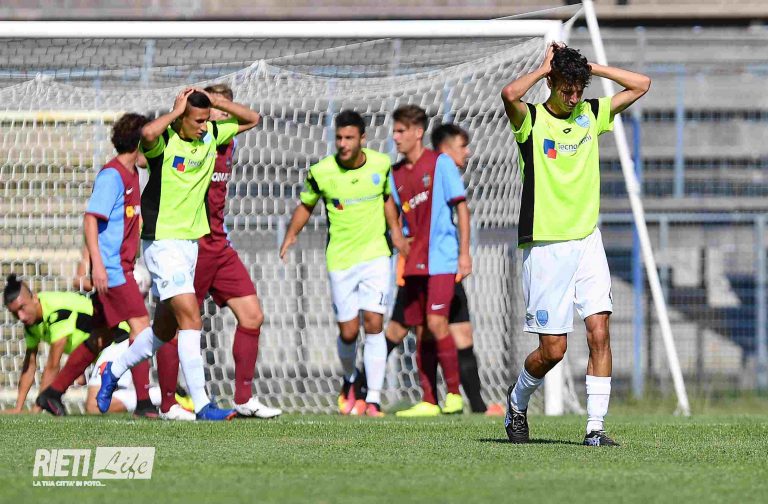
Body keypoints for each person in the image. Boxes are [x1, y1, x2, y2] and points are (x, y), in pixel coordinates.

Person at [500, 43, 650, 446]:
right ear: (552, 83)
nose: (574, 97)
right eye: (567, 88)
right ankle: (517, 401)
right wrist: (544, 68)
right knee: (553, 350)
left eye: (579, 89)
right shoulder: (531, 120)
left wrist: (590, 67)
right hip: (546, 247)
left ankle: (595, 429)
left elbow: (642, 84)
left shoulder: (590, 113)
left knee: (599, 331)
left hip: (587, 240)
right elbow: (509, 94)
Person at [97, 87, 260, 421]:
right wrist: (175, 111)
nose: (203, 126)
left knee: (163, 332)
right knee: (191, 318)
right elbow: (147, 133)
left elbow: (253, 119)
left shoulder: (211, 134)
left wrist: (217, 103)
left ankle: (113, 369)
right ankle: (202, 405)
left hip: (189, 245)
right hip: (162, 243)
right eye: (197, 120)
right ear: (182, 118)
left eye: (205, 120)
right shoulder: (165, 143)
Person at [155, 84, 281, 420]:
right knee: (175, 326)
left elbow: (252, 118)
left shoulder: (225, 140)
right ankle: (167, 402)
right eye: (214, 112)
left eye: (226, 111)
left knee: (252, 315)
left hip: (220, 246)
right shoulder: (191, 143)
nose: (222, 117)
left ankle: (244, 399)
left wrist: (222, 102)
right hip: (190, 245)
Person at [280, 109, 408, 417]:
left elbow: (387, 200)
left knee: (374, 323)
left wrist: (396, 233)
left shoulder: (380, 165)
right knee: (349, 332)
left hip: (376, 255)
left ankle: (373, 398)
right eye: (338, 137)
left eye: (349, 137)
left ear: (362, 138)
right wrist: (291, 234)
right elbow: (306, 205)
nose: (343, 143)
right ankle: (350, 379)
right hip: (340, 260)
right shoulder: (321, 172)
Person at [384, 123, 503, 416]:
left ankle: (474, 406)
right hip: (416, 269)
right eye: (463, 146)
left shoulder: (443, 179)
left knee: (461, 334)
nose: (468, 152)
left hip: (444, 267)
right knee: (398, 331)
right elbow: (394, 213)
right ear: (445, 150)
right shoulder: (415, 175)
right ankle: (360, 391)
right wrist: (397, 238)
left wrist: (461, 255)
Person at [388, 106, 471, 418]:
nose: (395, 137)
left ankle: (454, 395)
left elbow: (461, 207)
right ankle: (428, 399)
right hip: (414, 260)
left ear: (417, 132)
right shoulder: (395, 173)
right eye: (394, 131)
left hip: (442, 258)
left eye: (401, 131)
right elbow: (390, 206)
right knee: (420, 329)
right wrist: (396, 234)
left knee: (437, 323)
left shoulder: (440, 164)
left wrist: (464, 253)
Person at [82, 112, 160, 418]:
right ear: (138, 143)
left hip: (124, 267)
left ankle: (52, 393)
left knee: (100, 335)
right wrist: (97, 267)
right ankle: (143, 401)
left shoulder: (132, 175)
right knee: (141, 329)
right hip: (113, 270)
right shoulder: (112, 176)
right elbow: (91, 220)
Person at [1, 274, 125, 415]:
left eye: (22, 308)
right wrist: (18, 407)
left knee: (94, 406)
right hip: (102, 356)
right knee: (97, 404)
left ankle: (143, 398)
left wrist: (37, 408)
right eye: (15, 313)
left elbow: (53, 365)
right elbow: (29, 365)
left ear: (34, 298)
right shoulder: (31, 320)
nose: (21, 317)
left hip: (119, 343)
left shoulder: (57, 311)